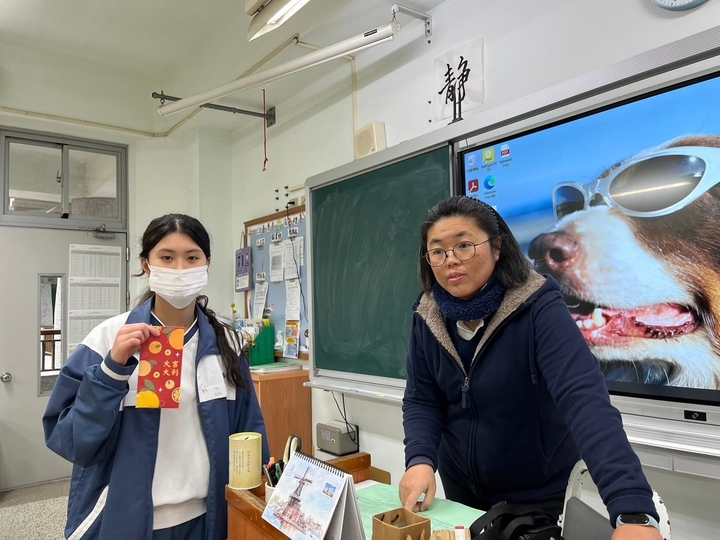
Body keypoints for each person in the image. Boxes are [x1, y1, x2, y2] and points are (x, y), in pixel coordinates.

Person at [399, 196, 663, 540]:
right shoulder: (428, 314)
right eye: (437, 251)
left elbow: (585, 401)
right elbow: (422, 398)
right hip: (461, 489)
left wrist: (633, 511)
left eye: (464, 246)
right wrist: (420, 459)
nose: (450, 260)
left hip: (537, 495)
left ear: (497, 247)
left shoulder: (538, 307)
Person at [43, 214, 269, 540]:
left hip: (208, 521)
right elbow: (71, 441)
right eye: (167, 257)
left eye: (192, 257)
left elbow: (250, 434)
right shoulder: (107, 339)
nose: (180, 269)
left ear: (207, 264)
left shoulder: (228, 344)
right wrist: (111, 371)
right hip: (124, 520)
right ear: (146, 265)